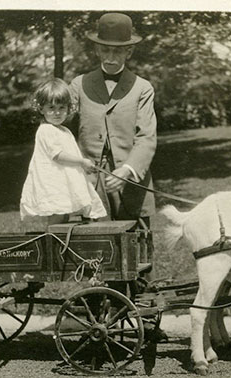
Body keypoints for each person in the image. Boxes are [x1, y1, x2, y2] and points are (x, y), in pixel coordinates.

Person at [69, 12, 157, 227]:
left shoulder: (142, 88)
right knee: (96, 252)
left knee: (138, 252)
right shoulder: (79, 85)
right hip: (90, 183)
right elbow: (61, 127)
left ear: (129, 51)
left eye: (117, 51)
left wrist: (126, 171)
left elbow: (146, 137)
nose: (110, 57)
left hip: (132, 185)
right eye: (105, 50)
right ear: (96, 50)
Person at [20, 78, 107, 228]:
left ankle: (61, 243)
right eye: (51, 108)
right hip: (54, 181)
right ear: (41, 109)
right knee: (58, 213)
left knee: (65, 213)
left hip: (65, 179)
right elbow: (58, 155)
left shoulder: (63, 130)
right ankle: (52, 242)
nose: (57, 113)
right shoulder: (46, 130)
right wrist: (81, 161)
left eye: (62, 107)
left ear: (69, 108)